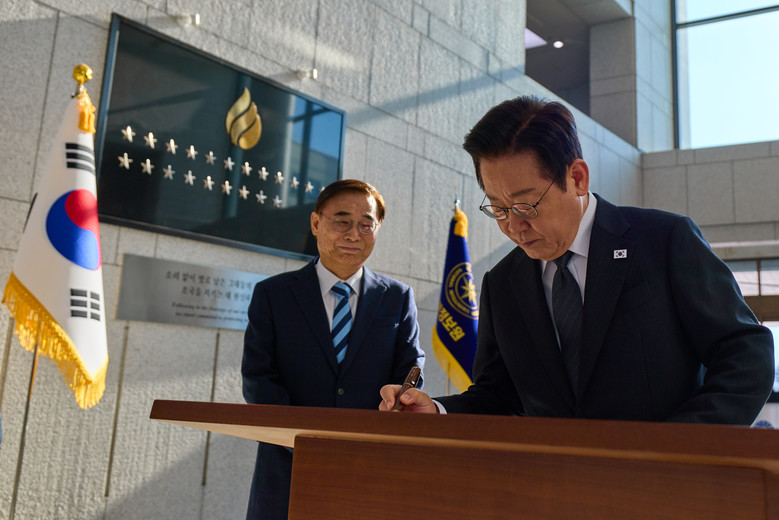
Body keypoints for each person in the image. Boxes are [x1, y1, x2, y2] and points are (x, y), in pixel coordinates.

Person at [380, 95, 774, 425]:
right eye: (498, 209)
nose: (514, 227)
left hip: (667, 476)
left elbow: (745, 352)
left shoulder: (663, 240)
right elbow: (499, 396)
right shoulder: (502, 283)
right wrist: (437, 410)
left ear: (578, 178)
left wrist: (683, 445)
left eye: (526, 205)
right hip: (554, 480)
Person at [242, 178, 425, 519]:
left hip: (372, 469)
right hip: (288, 470)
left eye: (366, 224)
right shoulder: (273, 295)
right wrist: (304, 440)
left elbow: (410, 370)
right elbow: (258, 378)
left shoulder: (398, 298)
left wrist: (400, 400)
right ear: (316, 223)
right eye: (342, 221)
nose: (354, 234)